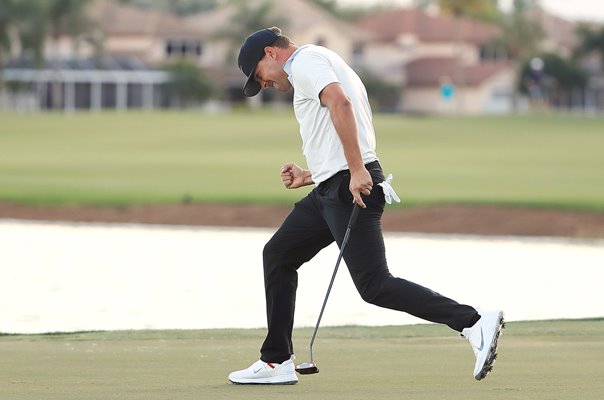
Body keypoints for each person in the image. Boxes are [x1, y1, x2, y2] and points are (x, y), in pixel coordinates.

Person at [228, 27, 504, 385]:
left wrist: (357, 169)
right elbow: (338, 126)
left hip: (349, 187)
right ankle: (276, 361)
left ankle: (473, 321)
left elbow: (340, 104)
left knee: (374, 284)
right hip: (333, 186)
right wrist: (310, 175)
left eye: (258, 75)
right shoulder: (316, 63)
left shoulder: (306, 61)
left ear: (271, 53)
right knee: (278, 255)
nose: (262, 83)